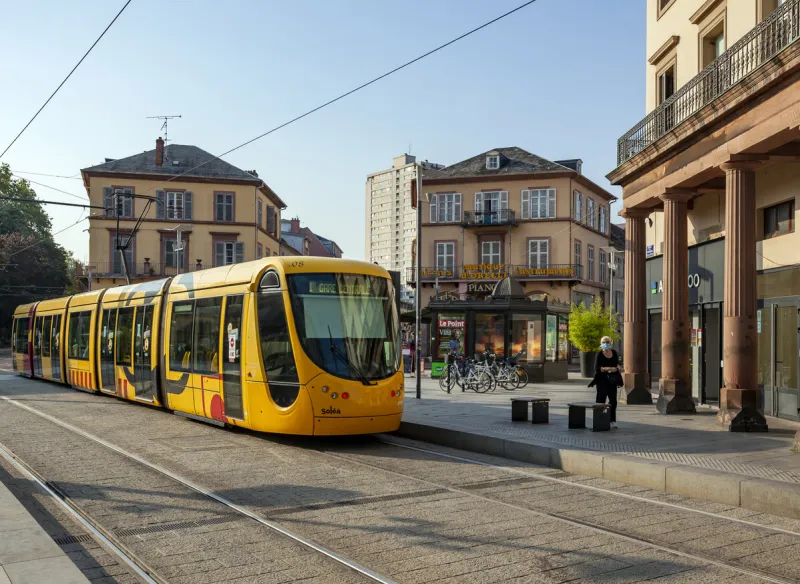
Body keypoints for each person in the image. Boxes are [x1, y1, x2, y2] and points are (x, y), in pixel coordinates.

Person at [590, 336, 621, 429]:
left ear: (611, 343)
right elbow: (596, 368)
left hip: (612, 380)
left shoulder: (614, 353)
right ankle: (599, 419)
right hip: (601, 380)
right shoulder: (599, 354)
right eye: (603, 342)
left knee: (613, 401)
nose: (605, 344)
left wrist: (618, 367)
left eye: (607, 342)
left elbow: (617, 364)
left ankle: (612, 420)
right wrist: (608, 368)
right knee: (601, 400)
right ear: (600, 344)